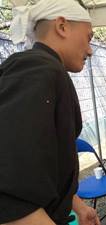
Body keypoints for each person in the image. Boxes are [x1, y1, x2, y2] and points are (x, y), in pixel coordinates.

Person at [0, 0, 100, 225]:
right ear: (62, 27)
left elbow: (45, 167)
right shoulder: (35, 69)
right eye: (89, 38)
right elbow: (10, 195)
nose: (90, 50)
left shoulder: (47, 69)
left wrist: (78, 206)